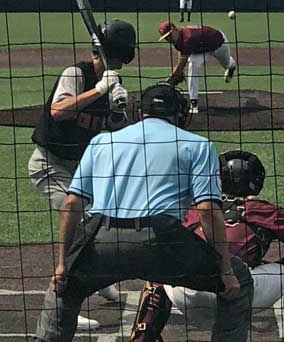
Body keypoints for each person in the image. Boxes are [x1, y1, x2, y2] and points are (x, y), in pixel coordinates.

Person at [34, 83, 253, 342]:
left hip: (102, 243)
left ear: (140, 113)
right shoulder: (198, 145)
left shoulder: (102, 141)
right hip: (163, 244)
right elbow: (206, 209)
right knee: (239, 277)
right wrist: (225, 270)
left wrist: (63, 265)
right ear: (180, 115)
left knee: (63, 290)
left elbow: (71, 205)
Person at [129, 150, 284, 342]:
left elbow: (163, 242)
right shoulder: (260, 209)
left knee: (158, 277)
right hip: (240, 293)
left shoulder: (195, 206)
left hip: (188, 295)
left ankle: (142, 337)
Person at [28, 19, 136, 330]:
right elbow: (58, 111)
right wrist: (98, 89)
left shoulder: (113, 83)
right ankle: (65, 306)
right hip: (49, 164)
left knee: (102, 218)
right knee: (81, 221)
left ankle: (98, 280)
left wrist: (117, 112)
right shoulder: (76, 74)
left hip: (79, 169)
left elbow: (115, 131)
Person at [158, 21, 236, 113]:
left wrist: (170, 80)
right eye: (165, 38)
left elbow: (181, 64)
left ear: (174, 30)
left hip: (219, 44)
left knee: (227, 64)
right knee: (193, 64)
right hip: (202, 51)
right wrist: (176, 74)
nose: (168, 39)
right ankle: (193, 102)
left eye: (169, 35)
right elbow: (181, 53)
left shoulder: (188, 38)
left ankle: (232, 66)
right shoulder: (177, 38)